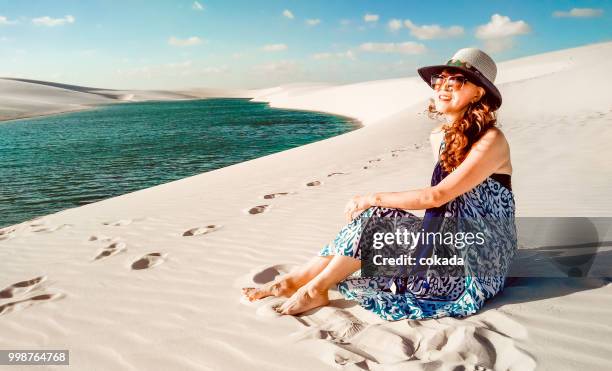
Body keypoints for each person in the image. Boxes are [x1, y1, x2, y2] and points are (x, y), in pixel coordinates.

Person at [242, 48, 517, 321]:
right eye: (440, 80)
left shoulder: (491, 141)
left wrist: (370, 197)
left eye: (456, 81)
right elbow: (445, 208)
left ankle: (314, 287)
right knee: (379, 219)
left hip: (478, 260)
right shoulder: (440, 136)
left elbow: (437, 196)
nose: (443, 87)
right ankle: (296, 281)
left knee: (377, 212)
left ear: (478, 93)